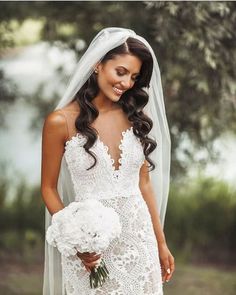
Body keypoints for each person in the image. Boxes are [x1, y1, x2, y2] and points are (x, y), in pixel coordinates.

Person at [41, 27, 174, 295]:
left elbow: (144, 184)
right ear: (98, 65)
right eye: (121, 72)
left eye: (134, 77)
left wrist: (160, 243)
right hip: (91, 249)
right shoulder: (60, 121)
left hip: (139, 241)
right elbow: (48, 188)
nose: (126, 83)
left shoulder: (135, 116)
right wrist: (77, 239)